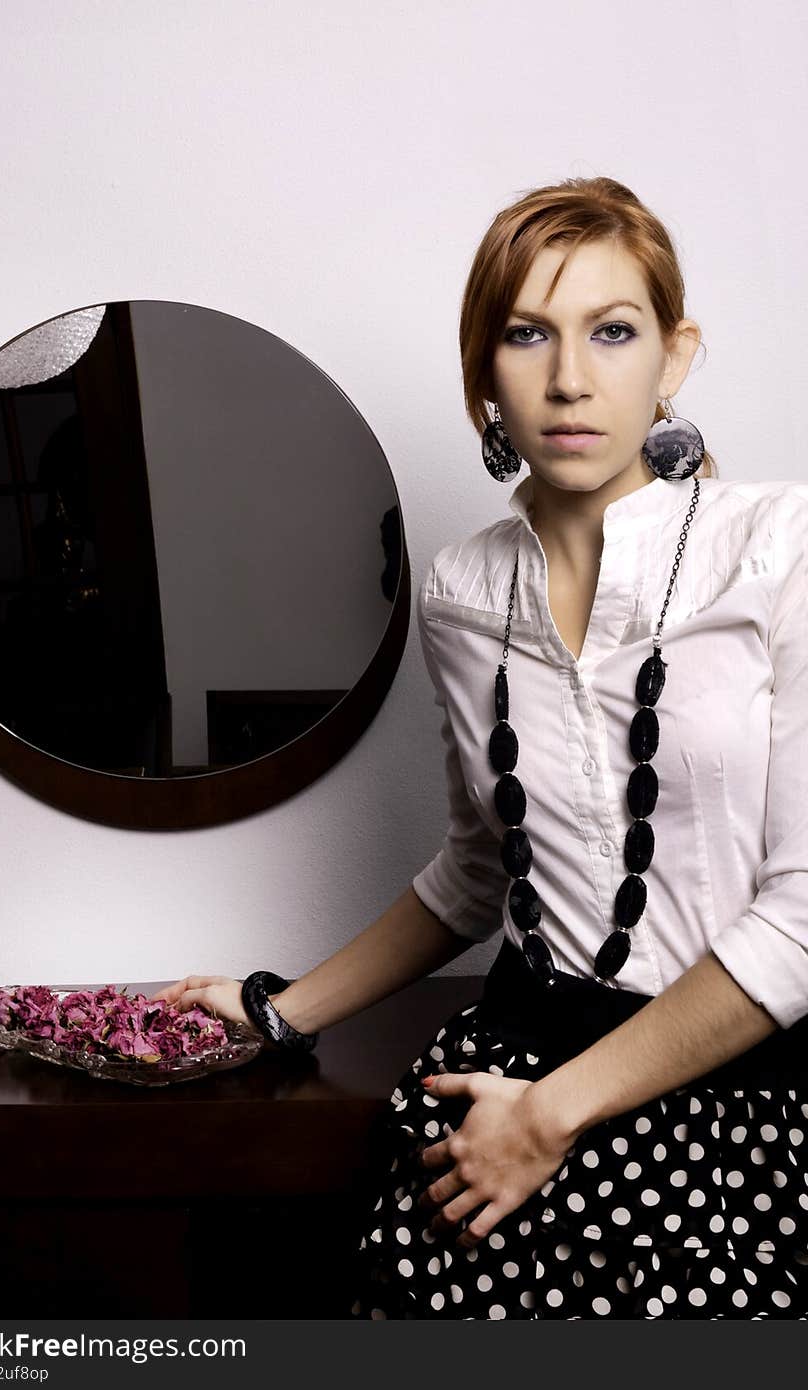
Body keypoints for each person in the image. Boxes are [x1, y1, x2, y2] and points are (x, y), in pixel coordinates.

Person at [151, 176, 808, 1319]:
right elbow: (477, 868)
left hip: (731, 1105)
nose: (568, 377)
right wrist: (279, 1011)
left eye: (612, 331)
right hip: (498, 1083)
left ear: (675, 353)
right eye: (525, 333)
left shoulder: (779, 547)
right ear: (482, 371)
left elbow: (802, 917)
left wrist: (549, 1116)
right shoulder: (458, 593)